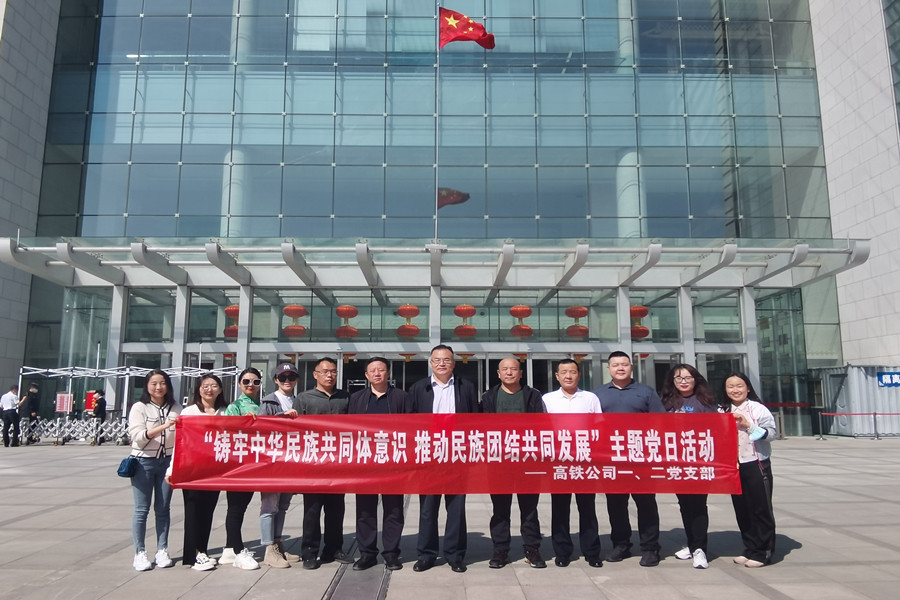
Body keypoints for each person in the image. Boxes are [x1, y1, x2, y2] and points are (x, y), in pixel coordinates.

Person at [407, 344, 480, 573]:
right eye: (437, 360)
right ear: (431, 363)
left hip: (457, 455)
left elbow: (475, 420)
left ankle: (455, 555)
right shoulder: (419, 388)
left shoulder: (466, 386)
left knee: (456, 508)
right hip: (429, 455)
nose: (442, 363)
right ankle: (426, 555)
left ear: (453, 363)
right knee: (428, 508)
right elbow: (409, 421)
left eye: (446, 359)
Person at [592, 351, 665, 567]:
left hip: (641, 458)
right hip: (611, 458)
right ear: (608, 369)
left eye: (624, 364)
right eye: (615, 365)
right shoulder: (598, 395)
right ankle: (621, 545)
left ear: (631, 367)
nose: (620, 368)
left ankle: (650, 548)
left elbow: (660, 423)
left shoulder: (646, 392)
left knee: (646, 504)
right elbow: (591, 425)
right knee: (616, 504)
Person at [483, 357, 547, 569]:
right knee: (500, 510)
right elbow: (483, 428)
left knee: (529, 509)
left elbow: (541, 425)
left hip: (527, 462)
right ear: (498, 373)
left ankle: (532, 549)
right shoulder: (489, 397)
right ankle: (500, 550)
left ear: (521, 373)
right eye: (505, 369)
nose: (509, 372)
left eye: (513, 369)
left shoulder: (533, 395)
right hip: (499, 463)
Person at [347, 357, 409, 571]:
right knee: (365, 510)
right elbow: (348, 429)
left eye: (381, 370)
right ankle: (367, 554)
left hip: (393, 463)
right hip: (365, 463)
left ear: (388, 373)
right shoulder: (357, 398)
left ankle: (391, 554)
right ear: (366, 375)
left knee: (394, 509)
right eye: (372, 370)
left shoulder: (401, 397)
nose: (377, 373)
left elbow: (411, 428)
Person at [542, 358, 603, 568]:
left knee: (587, 507)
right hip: (559, 461)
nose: (568, 376)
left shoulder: (590, 398)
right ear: (557, 376)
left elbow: (599, 428)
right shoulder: (547, 399)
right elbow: (542, 430)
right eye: (564, 372)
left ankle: (592, 551)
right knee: (560, 508)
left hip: (585, 461)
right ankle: (562, 552)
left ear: (579, 374)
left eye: (572, 372)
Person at [294, 357, 352, 570]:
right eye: (325, 371)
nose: (330, 375)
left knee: (336, 509)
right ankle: (309, 552)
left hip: (338, 463)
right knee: (312, 510)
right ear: (315, 374)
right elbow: (294, 431)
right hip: (313, 464)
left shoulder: (345, 397)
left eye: (333, 371)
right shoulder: (304, 398)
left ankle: (334, 548)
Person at [660, 364, 719, 569]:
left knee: (698, 505)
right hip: (676, 462)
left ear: (695, 379)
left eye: (687, 378)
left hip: (699, 462)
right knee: (684, 504)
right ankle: (692, 544)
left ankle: (700, 548)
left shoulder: (705, 401)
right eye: (678, 378)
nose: (683, 382)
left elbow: (715, 429)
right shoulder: (666, 402)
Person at [128, 369, 181, 571]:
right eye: (154, 383)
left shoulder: (176, 407)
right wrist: (165, 426)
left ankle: (162, 549)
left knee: (163, 508)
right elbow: (138, 436)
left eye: (163, 383)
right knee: (141, 509)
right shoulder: (139, 407)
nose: (159, 387)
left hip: (168, 462)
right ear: (147, 386)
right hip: (143, 462)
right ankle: (140, 552)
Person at [724, 372, 777, 568]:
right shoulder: (722, 409)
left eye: (739, 386)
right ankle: (750, 547)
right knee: (742, 509)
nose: (735, 390)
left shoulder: (758, 409)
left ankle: (764, 552)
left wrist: (748, 425)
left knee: (761, 508)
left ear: (747, 388)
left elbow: (771, 434)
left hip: (756, 463)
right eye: (730, 386)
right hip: (734, 466)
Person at [175, 373, 228, 571]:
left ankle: (202, 551)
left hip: (215, 470)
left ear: (220, 390)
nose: (209, 389)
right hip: (192, 470)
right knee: (192, 510)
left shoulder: (226, 412)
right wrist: (172, 469)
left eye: (214, 386)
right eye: (205, 386)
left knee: (208, 510)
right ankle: (193, 554)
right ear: (198, 389)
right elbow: (180, 443)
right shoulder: (189, 412)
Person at [258, 362, 301, 568]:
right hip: (272, 462)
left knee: (283, 505)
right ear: (276, 380)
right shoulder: (268, 402)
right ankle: (269, 549)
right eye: (282, 378)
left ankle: (277, 543)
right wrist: (281, 418)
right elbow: (260, 428)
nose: (287, 381)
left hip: (291, 460)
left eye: (291, 377)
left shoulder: (299, 401)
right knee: (269, 506)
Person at [220, 367, 263, 570]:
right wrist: (244, 423)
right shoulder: (235, 406)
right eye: (246, 381)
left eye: (255, 382)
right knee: (236, 507)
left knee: (241, 506)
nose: (250, 385)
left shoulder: (262, 406)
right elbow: (227, 433)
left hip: (256, 463)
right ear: (239, 384)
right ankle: (238, 550)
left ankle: (229, 548)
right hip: (239, 464)